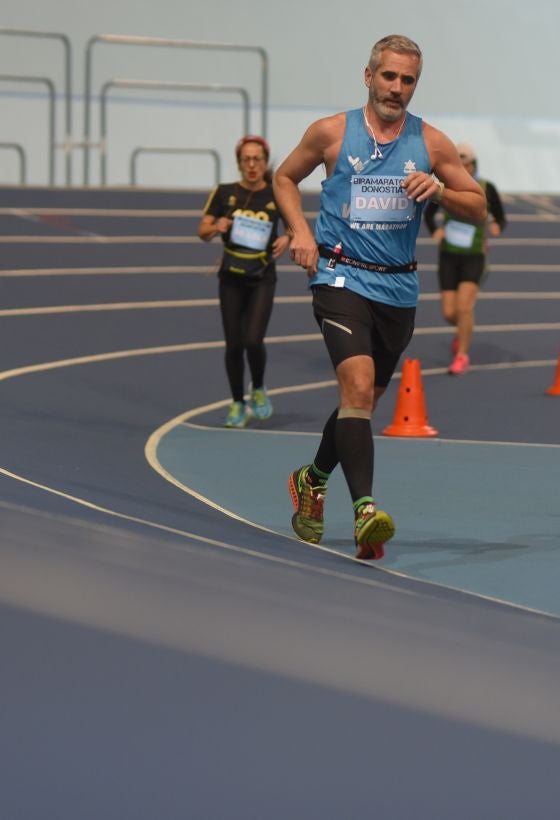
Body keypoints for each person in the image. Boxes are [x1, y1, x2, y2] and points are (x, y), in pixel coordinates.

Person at [273, 34, 487, 560]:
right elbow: (284, 177)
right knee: (359, 384)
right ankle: (366, 510)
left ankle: (312, 478)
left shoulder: (431, 143)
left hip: (398, 286)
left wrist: (438, 190)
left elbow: (479, 208)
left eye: (407, 79)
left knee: (360, 402)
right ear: (367, 76)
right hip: (340, 276)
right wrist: (300, 229)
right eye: (388, 76)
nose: (396, 88)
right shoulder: (330, 132)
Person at [198, 135, 291, 428]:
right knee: (234, 345)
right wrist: (216, 226)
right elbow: (202, 230)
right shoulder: (224, 193)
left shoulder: (277, 193)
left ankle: (259, 388)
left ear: (265, 162)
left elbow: (295, 225)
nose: (252, 165)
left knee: (253, 339)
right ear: (239, 163)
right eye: (246, 160)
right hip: (231, 276)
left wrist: (288, 237)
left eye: (257, 159)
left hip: (262, 275)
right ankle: (238, 403)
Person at [424, 141, 506, 375]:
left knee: (464, 307)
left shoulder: (485, 187)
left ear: (473, 165)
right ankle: (463, 330)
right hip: (449, 256)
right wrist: (435, 230)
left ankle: (462, 355)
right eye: (460, 164)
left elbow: (500, 216)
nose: (465, 168)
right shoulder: (446, 187)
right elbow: (429, 213)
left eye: (468, 164)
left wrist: (497, 225)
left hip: (474, 257)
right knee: (449, 313)